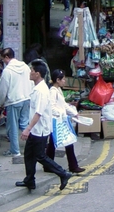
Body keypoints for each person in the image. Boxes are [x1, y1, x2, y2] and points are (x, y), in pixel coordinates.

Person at [15, 60, 73, 191]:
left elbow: (39, 112)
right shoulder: (37, 88)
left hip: (40, 130)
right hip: (35, 129)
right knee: (29, 154)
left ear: (38, 74)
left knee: (40, 156)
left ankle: (63, 173)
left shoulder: (41, 91)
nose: (30, 73)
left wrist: (27, 129)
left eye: (32, 71)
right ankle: (30, 180)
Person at [46, 70, 85, 174]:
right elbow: (52, 107)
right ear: (57, 80)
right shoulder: (53, 91)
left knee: (55, 143)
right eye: (63, 79)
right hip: (57, 121)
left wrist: (74, 113)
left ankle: (50, 165)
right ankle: (72, 166)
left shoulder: (58, 90)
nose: (64, 80)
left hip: (60, 120)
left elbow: (64, 105)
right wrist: (62, 114)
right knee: (63, 142)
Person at [0, 48, 32, 158]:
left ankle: (15, 151)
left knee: (13, 127)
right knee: (24, 125)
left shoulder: (7, 71)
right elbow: (31, 82)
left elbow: (3, 90)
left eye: (3, 59)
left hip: (13, 101)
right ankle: (33, 147)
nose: (3, 62)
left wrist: (0, 103)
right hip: (26, 98)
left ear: (7, 57)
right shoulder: (25, 67)